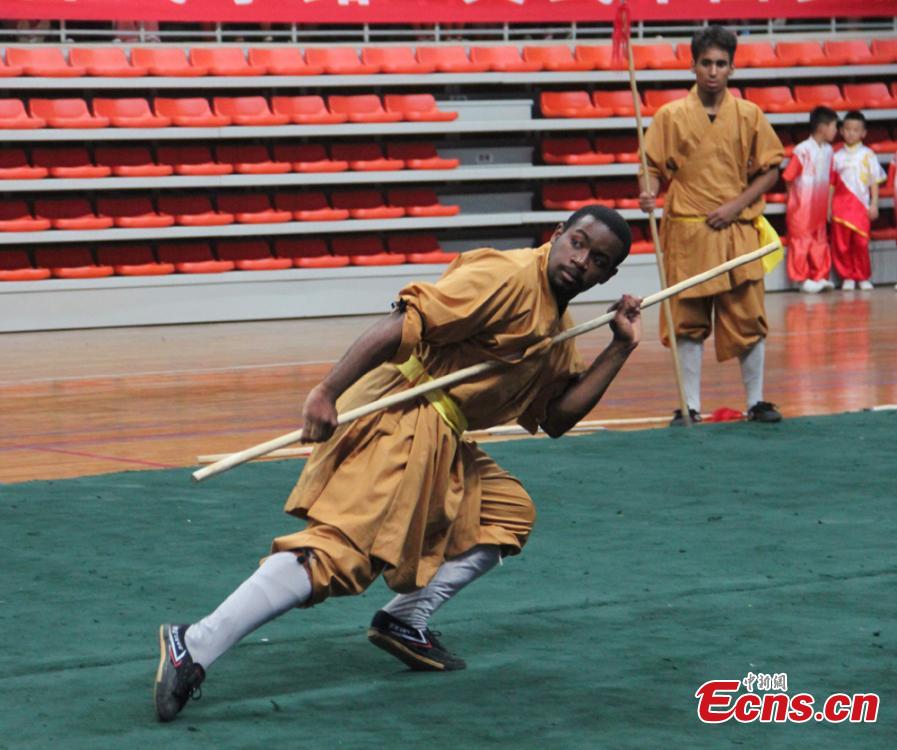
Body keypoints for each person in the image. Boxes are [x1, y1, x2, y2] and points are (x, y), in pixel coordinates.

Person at [153, 205, 643, 722]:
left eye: (598, 260)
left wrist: (619, 347)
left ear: (607, 277)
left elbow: (558, 417)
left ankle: (403, 620)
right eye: (578, 243)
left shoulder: (558, 324)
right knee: (340, 555)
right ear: (558, 234)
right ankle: (194, 643)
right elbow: (403, 322)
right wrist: (326, 391)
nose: (581, 261)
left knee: (507, 512)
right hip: (403, 415)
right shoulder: (508, 277)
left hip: (443, 436)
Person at [638, 25, 784, 425]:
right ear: (693, 65)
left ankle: (756, 401)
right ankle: (691, 406)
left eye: (721, 63)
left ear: (732, 68)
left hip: (737, 229)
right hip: (688, 230)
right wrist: (649, 191)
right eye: (706, 63)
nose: (713, 71)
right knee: (687, 320)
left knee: (748, 317)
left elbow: (771, 169)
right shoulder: (670, 116)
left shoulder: (750, 114)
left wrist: (736, 206)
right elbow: (651, 165)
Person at [782, 106, 838, 294]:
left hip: (819, 206)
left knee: (820, 241)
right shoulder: (802, 150)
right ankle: (801, 278)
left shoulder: (829, 150)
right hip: (802, 208)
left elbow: (830, 179)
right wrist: (794, 202)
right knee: (800, 242)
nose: (836, 131)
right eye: (834, 127)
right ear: (822, 127)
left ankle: (819, 275)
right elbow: (789, 177)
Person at [829, 110, 886, 291]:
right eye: (847, 129)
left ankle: (862, 276)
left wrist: (874, 204)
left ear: (863, 133)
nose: (851, 133)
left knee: (861, 243)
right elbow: (831, 184)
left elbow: (874, 182)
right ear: (841, 131)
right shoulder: (836, 156)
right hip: (840, 207)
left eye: (856, 130)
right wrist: (828, 207)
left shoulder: (868, 155)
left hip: (861, 207)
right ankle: (847, 276)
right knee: (842, 245)